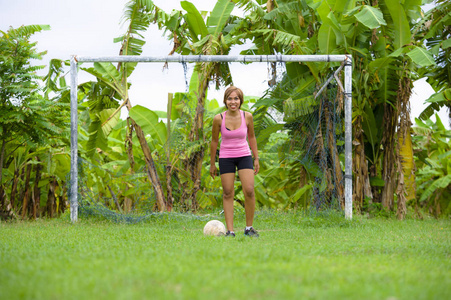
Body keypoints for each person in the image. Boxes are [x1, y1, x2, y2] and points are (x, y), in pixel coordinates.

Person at [210, 86, 260, 237]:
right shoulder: (218, 118)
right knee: (227, 192)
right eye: (230, 98)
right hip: (226, 157)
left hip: (244, 155)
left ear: (240, 100)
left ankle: (249, 228)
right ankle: (230, 231)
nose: (233, 102)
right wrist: (212, 164)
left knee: (249, 190)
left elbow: (251, 137)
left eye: (236, 98)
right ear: (225, 100)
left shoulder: (247, 116)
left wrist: (256, 158)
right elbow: (213, 141)